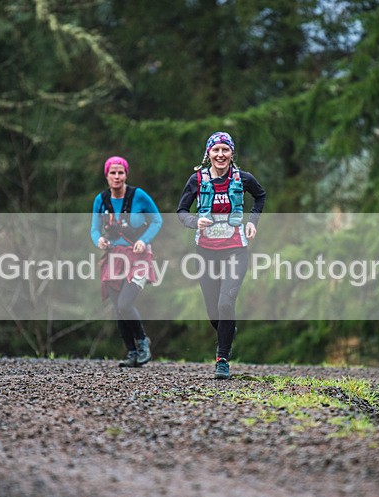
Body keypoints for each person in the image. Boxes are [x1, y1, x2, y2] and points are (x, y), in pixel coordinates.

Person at [177, 132, 266, 379]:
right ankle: (228, 329)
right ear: (208, 154)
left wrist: (252, 222)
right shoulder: (197, 180)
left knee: (226, 303)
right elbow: (181, 211)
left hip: (236, 249)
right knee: (214, 312)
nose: (220, 154)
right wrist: (195, 221)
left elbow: (260, 196)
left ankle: (222, 360)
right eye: (215, 150)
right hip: (206, 252)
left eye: (225, 150)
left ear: (231, 154)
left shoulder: (243, 178)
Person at [91, 156, 162, 368]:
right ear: (106, 175)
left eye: (120, 172)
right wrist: (99, 241)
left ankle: (143, 343)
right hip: (113, 257)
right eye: (112, 172)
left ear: (126, 174)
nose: (116, 176)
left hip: (138, 257)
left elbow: (157, 220)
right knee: (117, 307)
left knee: (125, 303)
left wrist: (143, 240)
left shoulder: (138, 196)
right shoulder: (101, 200)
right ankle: (131, 353)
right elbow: (94, 229)